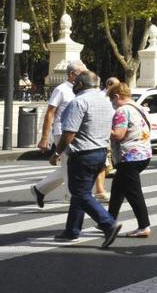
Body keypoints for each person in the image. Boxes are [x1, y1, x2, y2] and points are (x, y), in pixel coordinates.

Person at [50, 71, 123, 248]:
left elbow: (69, 133)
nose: (73, 85)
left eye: (75, 82)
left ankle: (108, 223)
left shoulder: (78, 102)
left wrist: (57, 152)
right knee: (81, 192)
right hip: (100, 152)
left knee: (80, 193)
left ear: (81, 84)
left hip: (83, 154)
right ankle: (72, 230)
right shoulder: (104, 101)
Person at [32, 60, 87, 208]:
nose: (85, 76)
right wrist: (44, 137)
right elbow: (50, 113)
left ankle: (40, 189)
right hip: (62, 132)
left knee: (68, 166)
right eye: (82, 73)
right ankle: (72, 200)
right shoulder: (61, 89)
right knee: (70, 167)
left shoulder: (81, 90)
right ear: (71, 74)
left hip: (78, 133)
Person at [106, 82, 152, 238]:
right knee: (118, 188)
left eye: (112, 100)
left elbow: (118, 134)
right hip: (143, 153)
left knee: (133, 192)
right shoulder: (138, 107)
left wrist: (104, 128)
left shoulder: (122, 110)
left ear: (117, 97)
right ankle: (107, 221)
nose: (112, 104)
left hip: (130, 156)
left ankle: (144, 226)